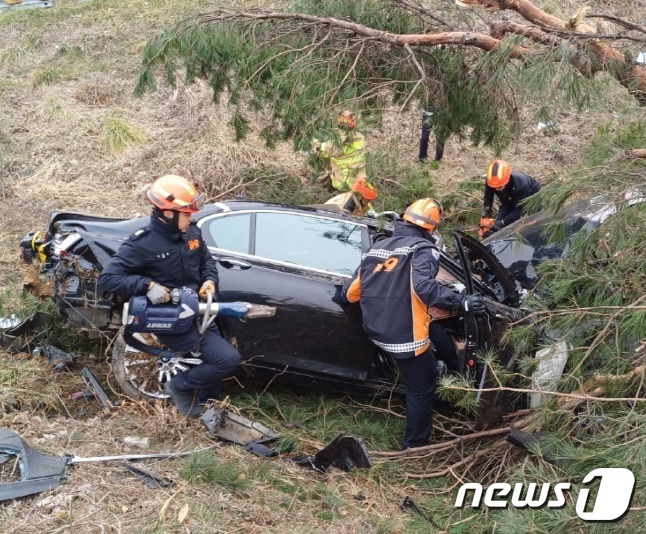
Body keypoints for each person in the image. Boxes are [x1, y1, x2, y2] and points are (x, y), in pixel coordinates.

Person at [342, 199, 487, 449]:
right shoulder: (423, 249)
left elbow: (351, 293)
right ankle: (415, 445)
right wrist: (462, 302)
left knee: (433, 327)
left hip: (377, 329)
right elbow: (423, 288)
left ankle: (451, 364)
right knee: (421, 384)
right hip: (404, 335)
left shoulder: (378, 247)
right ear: (431, 227)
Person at [98, 175, 241, 417]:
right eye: (186, 214)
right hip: (172, 321)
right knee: (226, 359)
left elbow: (206, 260)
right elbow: (109, 279)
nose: (191, 218)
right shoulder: (141, 244)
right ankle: (179, 385)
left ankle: (206, 412)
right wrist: (146, 285)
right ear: (167, 214)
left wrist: (209, 280)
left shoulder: (191, 232)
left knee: (211, 365)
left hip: (200, 311)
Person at [481, 160, 541, 238]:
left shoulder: (521, 185)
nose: (497, 188)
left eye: (500, 186)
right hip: (507, 198)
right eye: (494, 187)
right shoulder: (491, 181)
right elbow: (488, 196)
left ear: (507, 178)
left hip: (532, 197)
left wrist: (503, 222)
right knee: (498, 224)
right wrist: (486, 212)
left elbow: (520, 210)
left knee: (536, 221)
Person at [313, 110, 368, 192]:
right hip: (360, 182)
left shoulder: (336, 143)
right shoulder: (360, 137)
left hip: (345, 184)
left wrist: (314, 141)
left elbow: (322, 151)